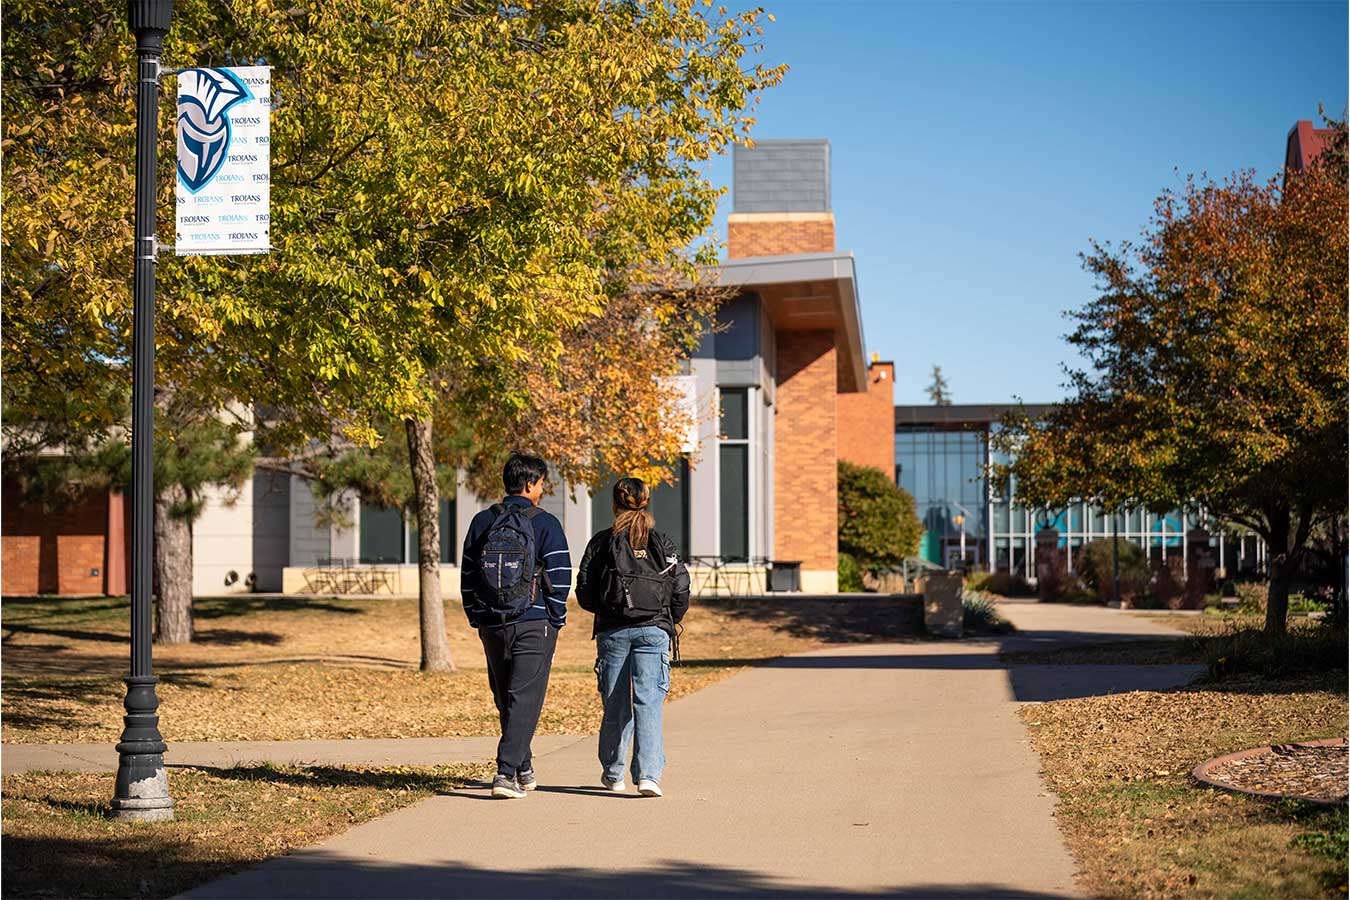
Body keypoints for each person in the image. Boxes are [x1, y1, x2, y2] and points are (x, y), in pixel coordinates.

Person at [460, 452, 571, 799]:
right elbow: (560, 575)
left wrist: (476, 616)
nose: (542, 489)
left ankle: (523, 766)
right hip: (534, 620)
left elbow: (467, 574)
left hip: (492, 622)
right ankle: (505, 773)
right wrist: (555, 617)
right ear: (529, 484)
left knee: (505, 696)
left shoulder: (482, 521)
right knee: (525, 698)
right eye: (540, 483)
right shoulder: (545, 522)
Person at [576, 477, 690, 797]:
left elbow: (584, 590)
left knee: (615, 704)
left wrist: (606, 610)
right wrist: (669, 619)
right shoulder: (661, 542)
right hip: (654, 630)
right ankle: (649, 775)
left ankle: (613, 773)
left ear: (615, 504)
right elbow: (680, 585)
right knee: (649, 702)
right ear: (646, 502)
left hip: (613, 631)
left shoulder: (601, 542)